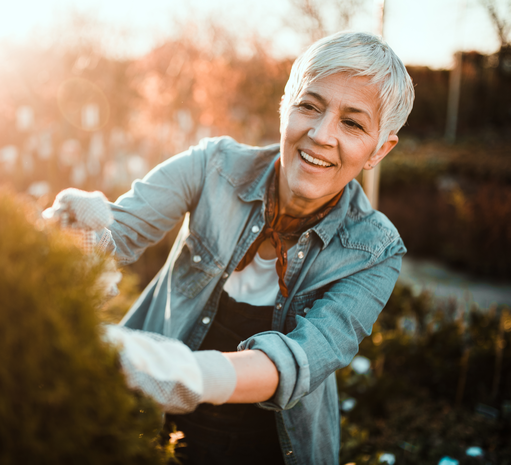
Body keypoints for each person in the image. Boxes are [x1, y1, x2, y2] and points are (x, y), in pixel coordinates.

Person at [46, 31, 415, 465]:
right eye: (309, 106)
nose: (320, 134)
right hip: (152, 428)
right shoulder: (211, 167)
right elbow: (117, 233)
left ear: (379, 149)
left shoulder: (376, 250)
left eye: (352, 123)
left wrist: (180, 372)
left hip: (272, 449)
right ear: (285, 106)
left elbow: (299, 359)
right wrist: (77, 236)